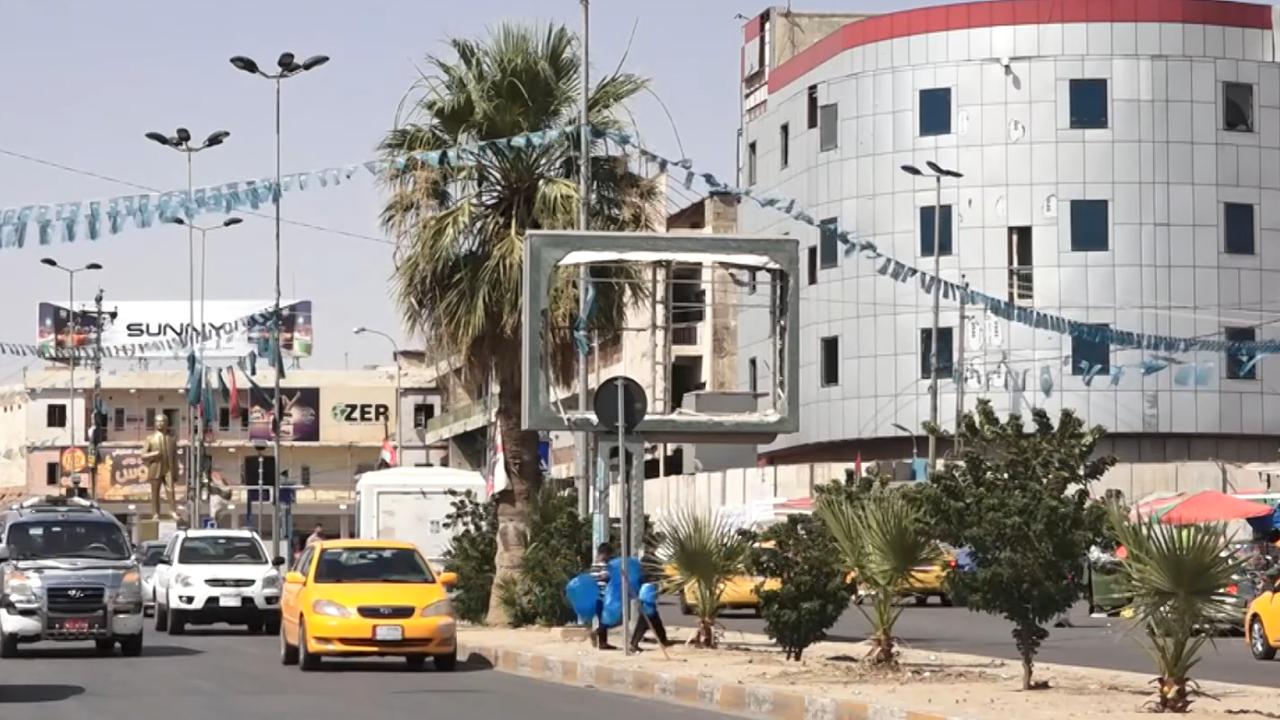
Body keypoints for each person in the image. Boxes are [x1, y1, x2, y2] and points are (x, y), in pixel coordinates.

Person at [629, 576, 675, 652]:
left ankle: (663, 641)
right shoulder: (649, 587)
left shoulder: (646, 586)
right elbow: (649, 599)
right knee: (641, 628)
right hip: (648, 611)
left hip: (649, 610)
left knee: (658, 627)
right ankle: (634, 644)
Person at [592, 543, 616, 650]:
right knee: (607, 619)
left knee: (603, 619)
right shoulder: (603, 565)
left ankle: (603, 642)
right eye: (608, 554)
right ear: (604, 554)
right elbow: (604, 577)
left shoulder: (594, 565)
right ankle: (598, 634)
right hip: (602, 596)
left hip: (597, 597)